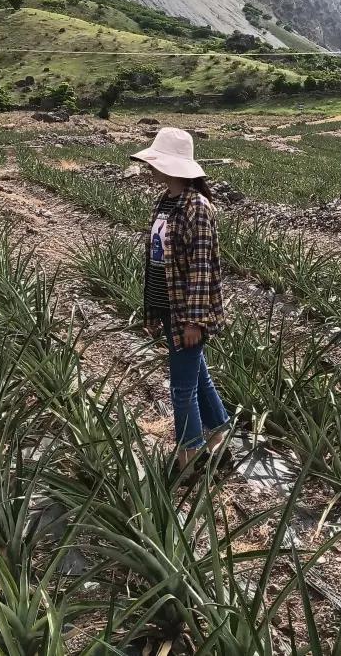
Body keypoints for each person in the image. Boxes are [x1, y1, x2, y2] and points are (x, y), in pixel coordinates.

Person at [131, 127, 230, 472]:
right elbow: (157, 260)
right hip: (167, 304)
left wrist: (195, 320)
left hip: (187, 310)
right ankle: (220, 436)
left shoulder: (197, 207)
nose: (150, 167)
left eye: (155, 161)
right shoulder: (165, 201)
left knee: (181, 387)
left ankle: (190, 456)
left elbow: (202, 266)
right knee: (197, 375)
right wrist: (153, 310)